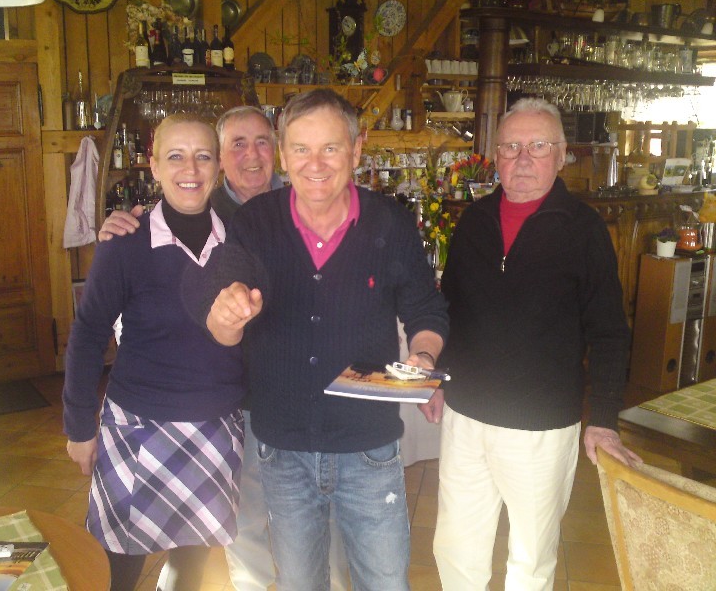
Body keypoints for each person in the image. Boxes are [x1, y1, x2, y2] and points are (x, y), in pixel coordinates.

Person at [205, 88, 449, 591]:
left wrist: (423, 355)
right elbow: (223, 314)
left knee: (386, 582)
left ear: (356, 150)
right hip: (283, 448)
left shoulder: (390, 222)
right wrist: (227, 315)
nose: (314, 164)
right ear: (283, 154)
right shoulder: (254, 222)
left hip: (369, 445)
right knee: (300, 584)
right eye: (301, 149)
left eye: (330, 148)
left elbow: (425, 308)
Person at [98, 105, 350, 591]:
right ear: (220, 159)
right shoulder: (203, 215)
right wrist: (121, 226)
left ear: (278, 152)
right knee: (243, 523)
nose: (251, 154)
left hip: (304, 394)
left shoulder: (311, 203)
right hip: (234, 405)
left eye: (262, 141)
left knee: (322, 514)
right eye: (237, 143)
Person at [434, 97, 642, 590]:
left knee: (530, 560)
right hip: (465, 417)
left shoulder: (584, 229)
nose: (523, 159)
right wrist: (438, 380)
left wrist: (604, 419)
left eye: (538, 146)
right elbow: (449, 310)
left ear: (562, 154)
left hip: (541, 426)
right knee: (456, 548)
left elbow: (609, 330)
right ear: (496, 155)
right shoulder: (474, 220)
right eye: (511, 147)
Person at [63, 113, 245, 591]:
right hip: (137, 428)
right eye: (176, 156)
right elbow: (88, 334)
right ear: (154, 165)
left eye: (203, 156)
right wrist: (79, 426)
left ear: (218, 165)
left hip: (215, 429)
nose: (191, 169)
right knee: (116, 571)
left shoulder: (241, 240)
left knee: (189, 571)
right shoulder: (125, 243)